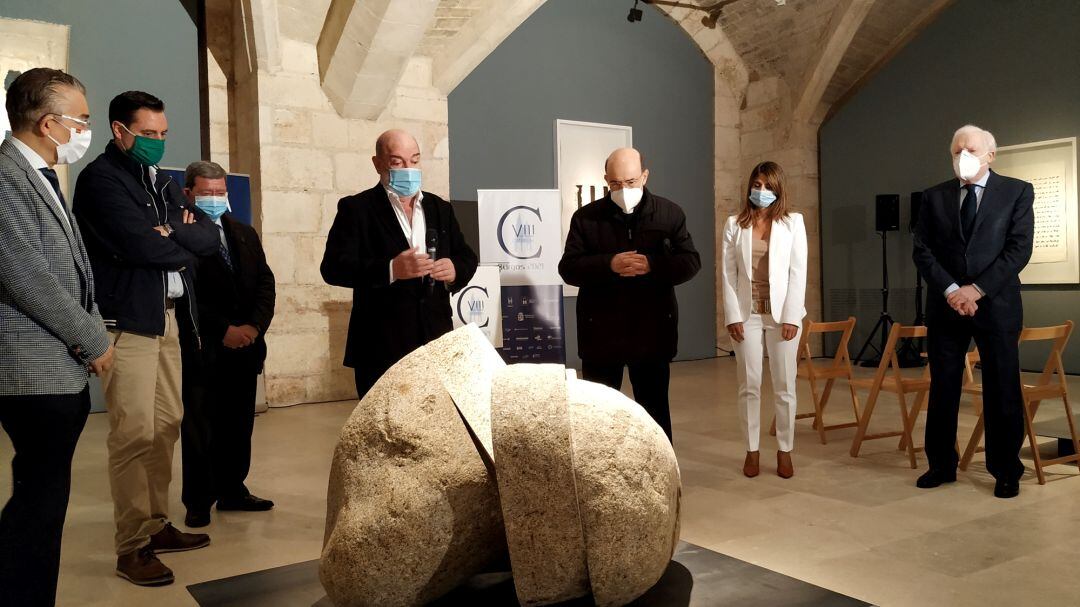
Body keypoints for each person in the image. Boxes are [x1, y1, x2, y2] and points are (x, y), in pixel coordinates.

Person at [73, 90, 220, 586]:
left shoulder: (162, 180)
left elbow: (207, 238)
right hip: (128, 321)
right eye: (149, 134)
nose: (157, 142)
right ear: (121, 131)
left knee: (166, 425)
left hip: (168, 319)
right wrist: (168, 237)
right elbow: (139, 246)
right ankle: (131, 546)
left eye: (162, 134)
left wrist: (169, 234)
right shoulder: (101, 181)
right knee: (134, 433)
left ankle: (156, 525)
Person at [0, 67, 114, 607]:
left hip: (55, 367)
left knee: (44, 501)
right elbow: (27, 278)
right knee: (38, 505)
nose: (84, 130)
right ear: (50, 123)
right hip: (33, 371)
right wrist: (94, 339)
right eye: (82, 121)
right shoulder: (5, 176)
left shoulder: (37, 174)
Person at [912, 125, 1033, 499]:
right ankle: (941, 464)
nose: (963, 156)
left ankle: (1006, 469)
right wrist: (952, 290)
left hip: (995, 304)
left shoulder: (1016, 192)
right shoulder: (933, 197)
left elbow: (1018, 249)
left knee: (1002, 387)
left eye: (971, 150)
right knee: (944, 385)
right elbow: (922, 251)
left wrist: (976, 289)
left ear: (990, 156)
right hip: (947, 306)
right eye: (957, 151)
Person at [321, 129, 478, 398]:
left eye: (414, 160)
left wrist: (454, 270)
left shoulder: (440, 208)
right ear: (377, 163)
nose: (409, 169)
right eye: (398, 162)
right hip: (380, 345)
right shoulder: (357, 209)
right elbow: (333, 267)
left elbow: (466, 257)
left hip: (435, 340)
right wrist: (391, 269)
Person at [559, 147, 701, 442]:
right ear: (606, 180)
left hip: (652, 334)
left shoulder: (670, 214)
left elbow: (690, 262)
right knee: (599, 416)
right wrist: (608, 264)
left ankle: (661, 479)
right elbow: (568, 268)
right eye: (616, 184)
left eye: (631, 182)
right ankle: (599, 479)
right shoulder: (586, 218)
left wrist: (653, 264)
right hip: (600, 336)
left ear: (645, 176)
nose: (624, 190)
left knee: (655, 414)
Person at [179, 161, 276, 528]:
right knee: (201, 427)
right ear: (189, 193)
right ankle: (199, 499)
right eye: (207, 193)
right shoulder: (181, 233)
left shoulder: (244, 233)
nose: (216, 198)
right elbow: (188, 293)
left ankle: (233, 489)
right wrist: (225, 329)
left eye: (221, 192)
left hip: (246, 347)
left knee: (238, 424)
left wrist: (253, 326)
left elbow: (265, 284)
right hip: (206, 347)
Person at [721, 161, 807, 479]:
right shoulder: (734, 225)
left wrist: (792, 316)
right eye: (757, 185)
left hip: (783, 315)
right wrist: (732, 315)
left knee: (785, 386)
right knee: (749, 385)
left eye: (768, 186)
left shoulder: (793, 223)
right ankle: (752, 450)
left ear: (778, 189)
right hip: (747, 314)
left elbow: (799, 273)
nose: (762, 191)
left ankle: (785, 450)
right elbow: (728, 274)